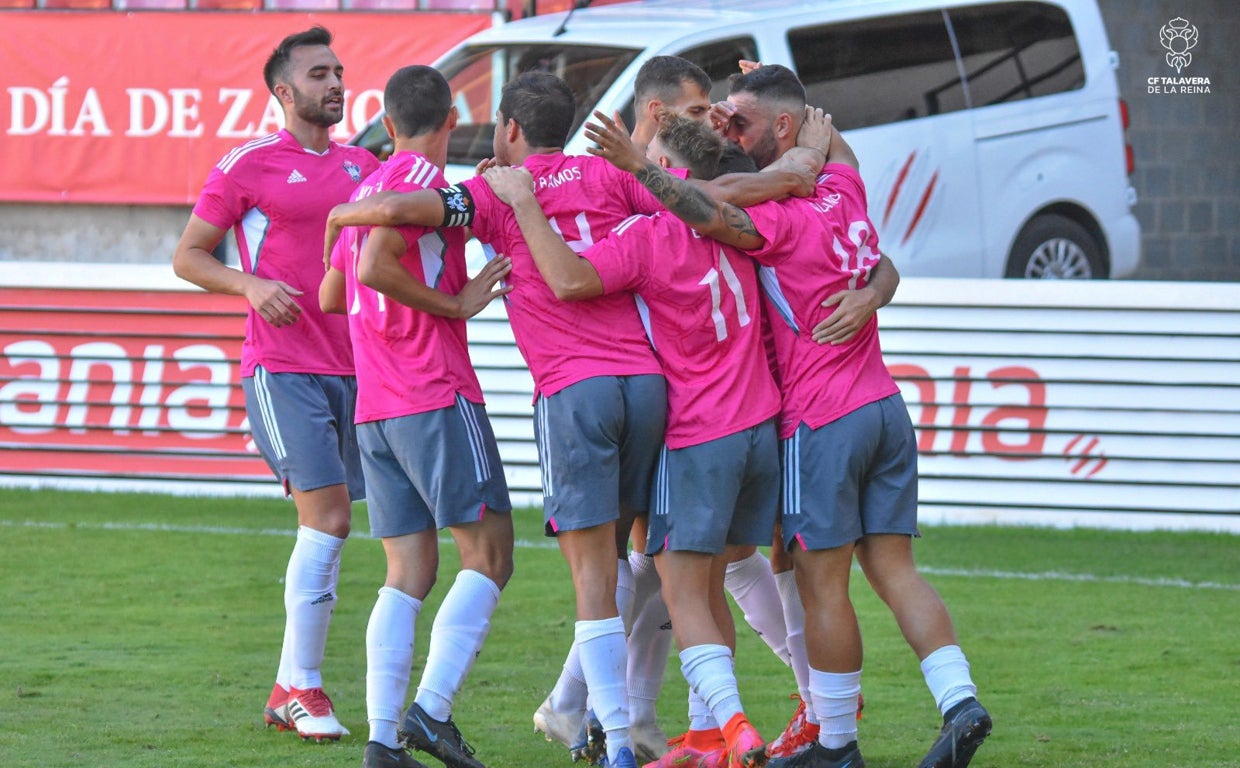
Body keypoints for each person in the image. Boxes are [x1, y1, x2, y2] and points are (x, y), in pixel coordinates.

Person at [589, 63, 991, 768]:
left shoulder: (772, 223)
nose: (724, 126)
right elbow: (841, 164)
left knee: (821, 584)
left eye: (738, 119)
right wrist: (872, 278)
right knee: (894, 568)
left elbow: (702, 207)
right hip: (884, 408)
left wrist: (638, 164)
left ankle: (836, 742)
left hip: (819, 420)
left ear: (781, 127)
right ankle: (960, 703)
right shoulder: (842, 188)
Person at [482, 108, 836, 768]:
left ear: (674, 176)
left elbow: (569, 279)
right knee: (713, 581)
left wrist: (524, 205)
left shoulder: (648, 237)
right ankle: (704, 735)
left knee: (679, 591)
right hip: (761, 427)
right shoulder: (738, 229)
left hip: (699, 434)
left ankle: (735, 728)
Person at [172, 25, 380, 743]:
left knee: (342, 526)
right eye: (319, 74)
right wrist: (250, 284)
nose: (335, 83)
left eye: (339, 71)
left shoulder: (364, 164)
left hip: (357, 369)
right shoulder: (248, 164)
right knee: (328, 520)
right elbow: (188, 256)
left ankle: (288, 685)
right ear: (284, 92)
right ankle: (307, 690)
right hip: (282, 367)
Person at [318, 65, 516, 768]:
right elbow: (374, 267)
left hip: (376, 404)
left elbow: (333, 292)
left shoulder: (365, 189)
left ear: (389, 124)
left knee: (408, 571)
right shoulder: (415, 190)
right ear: (451, 123)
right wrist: (457, 305)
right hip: (432, 390)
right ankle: (430, 714)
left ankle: (380, 739)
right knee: (490, 554)